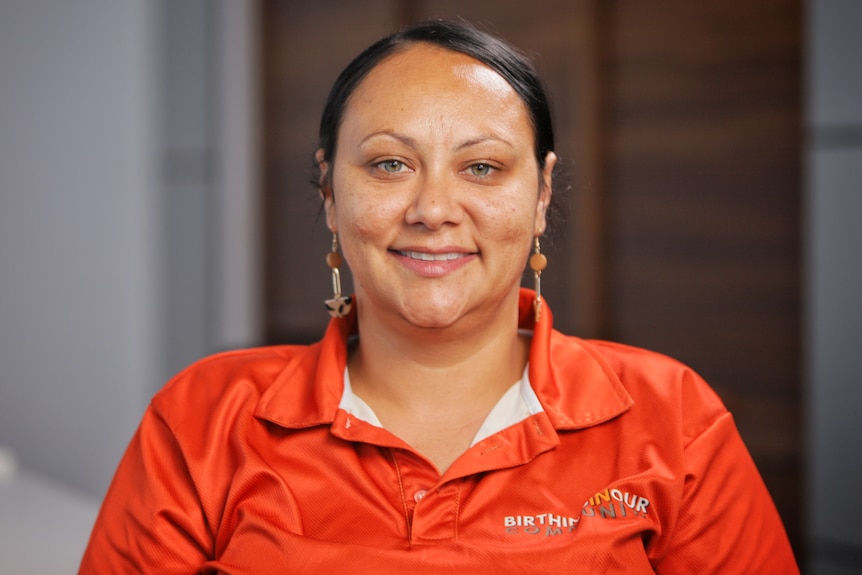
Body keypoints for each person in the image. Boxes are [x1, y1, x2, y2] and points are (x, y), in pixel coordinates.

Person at [79, 20, 798, 574]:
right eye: (390, 163)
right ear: (329, 190)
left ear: (541, 194)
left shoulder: (673, 420)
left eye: (481, 167)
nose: (434, 207)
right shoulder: (204, 420)